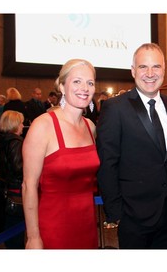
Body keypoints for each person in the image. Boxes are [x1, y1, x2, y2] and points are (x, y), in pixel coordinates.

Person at [97, 43, 167, 249]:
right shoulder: (115, 108)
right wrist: (116, 213)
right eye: (142, 67)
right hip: (132, 216)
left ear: (164, 70)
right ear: (132, 70)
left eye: (156, 67)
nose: (150, 73)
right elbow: (107, 163)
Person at [22, 59, 100, 249]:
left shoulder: (91, 127)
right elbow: (28, 185)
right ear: (62, 87)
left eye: (90, 83)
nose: (84, 88)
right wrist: (33, 237)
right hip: (54, 227)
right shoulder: (43, 126)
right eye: (77, 81)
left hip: (87, 226)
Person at [0, 110, 25, 249]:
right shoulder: (15, 142)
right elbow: (19, 168)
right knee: (16, 234)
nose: (23, 126)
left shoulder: (2, 141)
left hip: (8, 190)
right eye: (21, 123)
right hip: (18, 191)